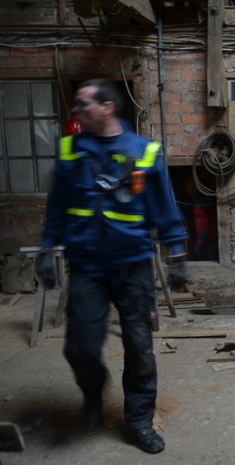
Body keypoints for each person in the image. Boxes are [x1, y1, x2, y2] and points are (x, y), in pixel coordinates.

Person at [36, 78, 188, 454]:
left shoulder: (145, 151)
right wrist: (45, 250)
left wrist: (177, 256)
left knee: (139, 348)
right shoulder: (71, 149)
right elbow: (56, 206)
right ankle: (93, 396)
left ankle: (138, 423)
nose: (75, 110)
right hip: (87, 266)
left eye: (81, 103)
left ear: (106, 107)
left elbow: (164, 207)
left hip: (132, 267)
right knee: (80, 348)